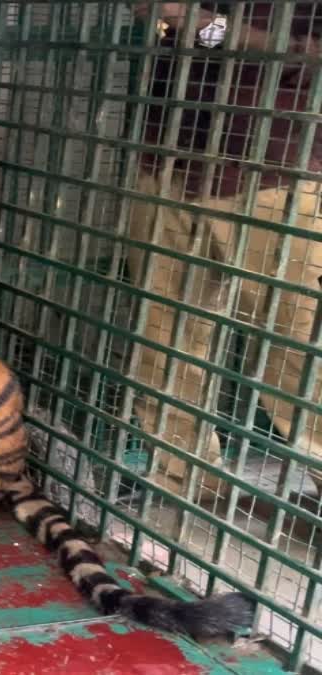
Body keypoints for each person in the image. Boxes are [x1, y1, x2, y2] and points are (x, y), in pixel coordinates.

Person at [126, 2, 320, 500]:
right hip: (168, 159)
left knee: (298, 348)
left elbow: (306, 52)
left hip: (276, 170)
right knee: (163, 338)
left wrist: (204, 24)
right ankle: (186, 484)